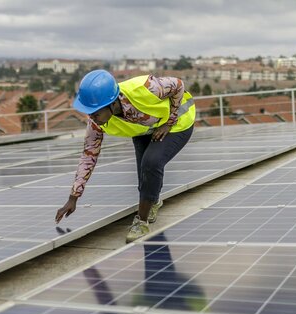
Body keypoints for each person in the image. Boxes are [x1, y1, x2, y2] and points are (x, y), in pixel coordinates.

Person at [55, 70, 195, 243]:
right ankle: (153, 201)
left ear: (112, 103)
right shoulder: (96, 123)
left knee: (151, 162)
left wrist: (169, 122)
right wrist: (73, 198)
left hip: (178, 122)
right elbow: (88, 156)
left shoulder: (145, 88)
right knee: (144, 174)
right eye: (89, 112)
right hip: (145, 128)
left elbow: (178, 85)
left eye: (96, 113)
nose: (91, 118)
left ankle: (141, 221)